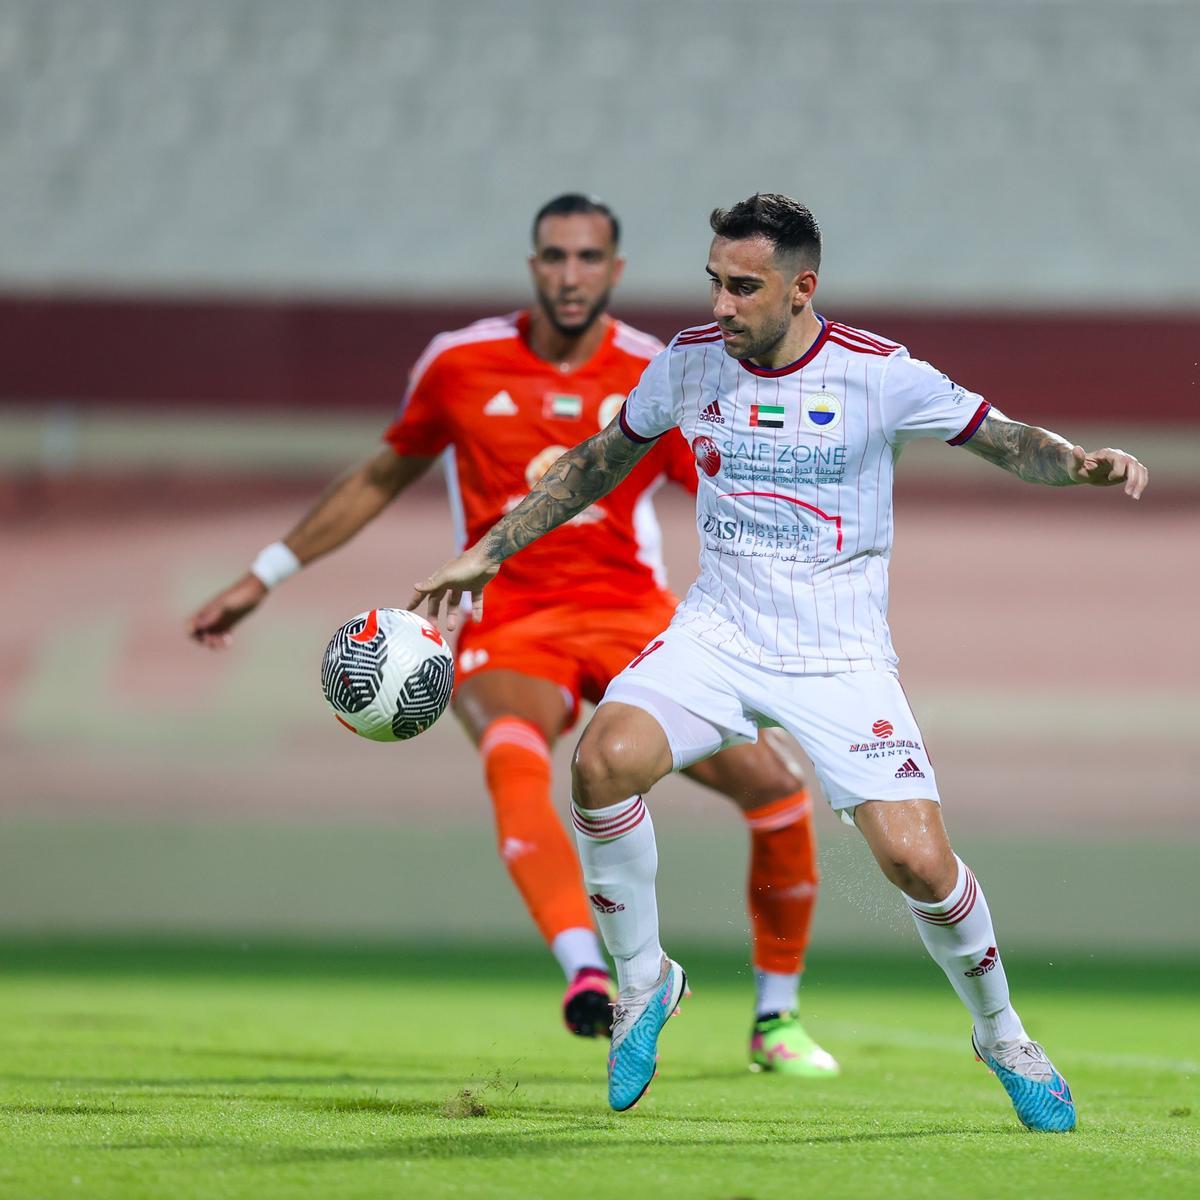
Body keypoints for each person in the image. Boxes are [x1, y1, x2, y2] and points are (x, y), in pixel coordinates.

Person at [410, 192, 1150, 1128]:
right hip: (717, 634)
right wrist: (491, 550)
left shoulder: (879, 374)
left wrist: (1076, 462)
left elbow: (1004, 440)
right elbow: (598, 460)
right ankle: (643, 981)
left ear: (802, 289)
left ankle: (1002, 1035)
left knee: (918, 863)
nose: (721, 304)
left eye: (744, 287)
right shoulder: (688, 363)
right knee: (601, 764)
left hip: (839, 654)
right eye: (715, 281)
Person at [187, 193, 838, 1076]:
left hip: (633, 614)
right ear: (534, 266)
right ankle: (588, 976)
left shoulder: (663, 368)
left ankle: (775, 1018)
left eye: (588, 258)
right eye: (554, 257)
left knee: (779, 791)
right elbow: (382, 476)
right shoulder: (459, 363)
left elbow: (728, 486)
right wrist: (261, 576)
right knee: (512, 749)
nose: (570, 275)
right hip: (513, 618)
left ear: (615, 270)